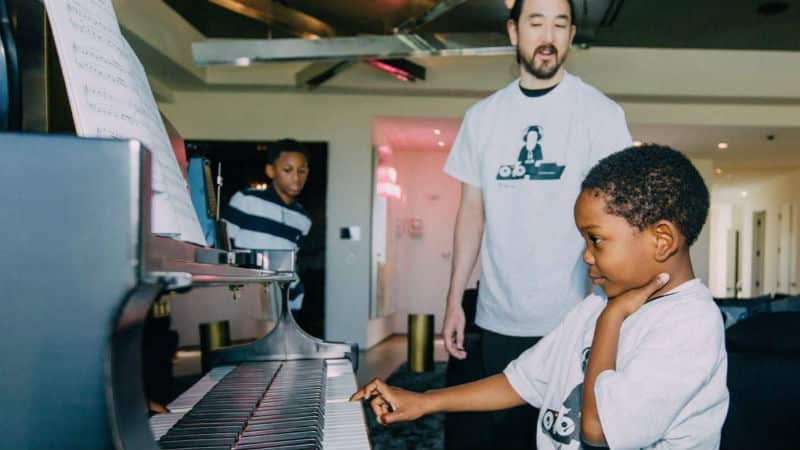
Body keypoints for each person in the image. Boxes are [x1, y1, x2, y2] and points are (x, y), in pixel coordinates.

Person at [354, 144, 729, 449]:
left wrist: (611, 320)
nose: (585, 255)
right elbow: (522, 381)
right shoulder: (597, 304)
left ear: (661, 241)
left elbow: (599, 429)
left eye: (596, 239)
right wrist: (425, 402)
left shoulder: (689, 325)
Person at [441, 0, 632, 447]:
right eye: (536, 22)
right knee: (503, 438)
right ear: (513, 32)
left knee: (566, 440)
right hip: (498, 317)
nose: (548, 36)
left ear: (569, 36)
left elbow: (619, 217)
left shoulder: (600, 113)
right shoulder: (482, 118)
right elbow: (471, 212)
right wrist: (454, 299)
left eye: (560, 24)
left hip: (576, 318)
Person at [223, 138, 311, 314]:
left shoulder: (303, 218)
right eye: (287, 170)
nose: (296, 177)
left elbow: (291, 263)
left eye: (302, 171)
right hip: (245, 299)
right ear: (271, 171)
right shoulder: (246, 200)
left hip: (286, 302)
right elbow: (223, 247)